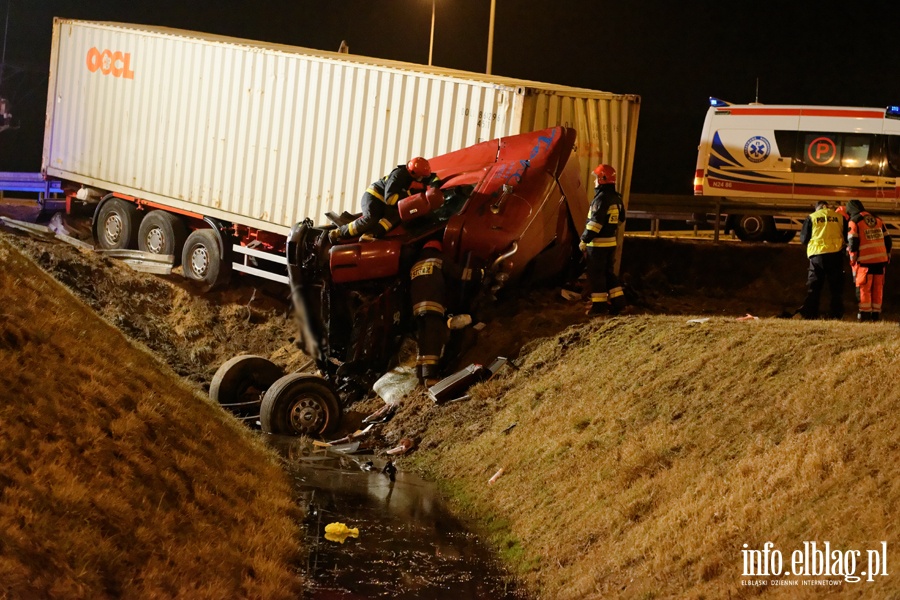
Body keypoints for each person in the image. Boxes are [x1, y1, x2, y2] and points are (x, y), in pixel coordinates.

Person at [329, 157, 439, 242]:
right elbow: (390, 199)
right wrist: (410, 193)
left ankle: (369, 235)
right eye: (422, 177)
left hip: (385, 203)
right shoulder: (398, 176)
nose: (423, 180)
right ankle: (339, 232)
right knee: (371, 218)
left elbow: (433, 177)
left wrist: (435, 187)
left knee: (396, 217)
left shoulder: (415, 174)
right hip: (374, 197)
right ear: (414, 173)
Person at [580, 163, 626, 316]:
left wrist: (584, 240)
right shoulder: (617, 198)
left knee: (596, 275)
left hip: (597, 245)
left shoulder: (600, 200)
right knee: (608, 273)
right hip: (611, 243)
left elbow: (595, 224)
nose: (594, 182)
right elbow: (620, 220)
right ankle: (619, 303)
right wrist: (609, 230)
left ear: (602, 179)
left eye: (596, 178)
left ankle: (599, 308)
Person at [797, 200, 846, 320]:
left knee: (814, 287)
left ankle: (810, 313)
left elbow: (803, 239)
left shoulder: (812, 217)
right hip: (835, 254)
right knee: (835, 288)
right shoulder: (839, 217)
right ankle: (836, 314)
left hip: (817, 256)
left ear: (817, 208)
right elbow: (846, 235)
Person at [846, 199, 892, 321]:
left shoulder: (854, 221)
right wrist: (887, 255)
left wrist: (852, 258)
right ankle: (876, 315)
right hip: (880, 260)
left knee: (863, 288)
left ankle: (865, 315)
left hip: (864, 262)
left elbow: (853, 242)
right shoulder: (877, 219)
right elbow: (888, 239)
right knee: (878, 288)